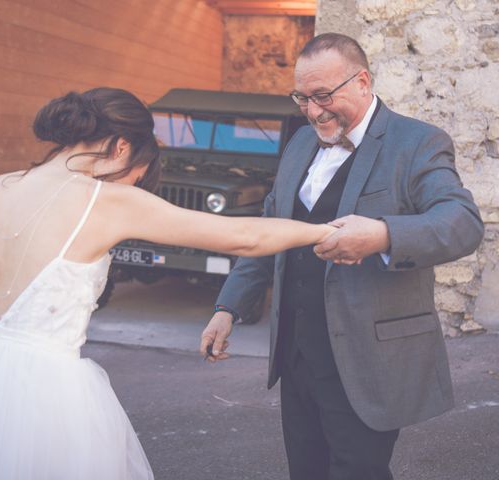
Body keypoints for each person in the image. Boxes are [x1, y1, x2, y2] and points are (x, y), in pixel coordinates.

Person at [0, 87, 335, 479]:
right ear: (119, 148)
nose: (134, 184)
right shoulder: (107, 201)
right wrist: (327, 231)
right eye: (137, 173)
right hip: (47, 399)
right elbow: (247, 236)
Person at [201, 33, 483, 480]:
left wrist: (384, 235)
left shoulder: (418, 143)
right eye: (302, 98)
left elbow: (462, 222)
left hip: (368, 360)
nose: (313, 111)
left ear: (363, 81)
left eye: (323, 95)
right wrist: (228, 307)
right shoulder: (298, 144)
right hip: (297, 356)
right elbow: (271, 231)